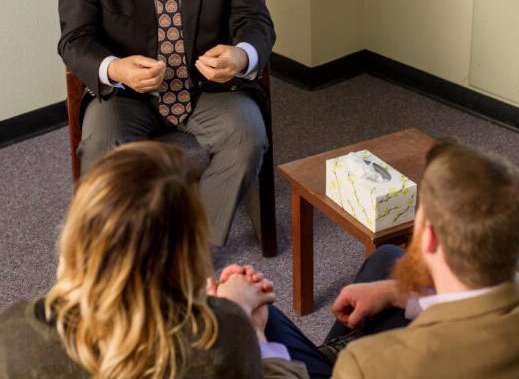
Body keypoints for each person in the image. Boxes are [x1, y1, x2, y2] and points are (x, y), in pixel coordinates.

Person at [57, 0, 275, 246]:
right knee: (101, 148)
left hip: (206, 88)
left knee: (248, 139)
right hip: (125, 94)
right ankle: (120, 253)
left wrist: (241, 55)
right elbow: (75, 38)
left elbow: (256, 21)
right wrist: (116, 69)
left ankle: (194, 249)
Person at [231, 140, 519, 378]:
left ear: (429, 238)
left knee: (254, 314)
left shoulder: (370, 365)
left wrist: (250, 334)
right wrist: (396, 292)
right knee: (387, 257)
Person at [0, 141, 306, 378]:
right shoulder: (222, 334)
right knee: (272, 317)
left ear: (77, 231)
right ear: (189, 252)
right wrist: (249, 326)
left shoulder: (16, 332)